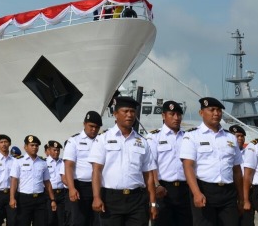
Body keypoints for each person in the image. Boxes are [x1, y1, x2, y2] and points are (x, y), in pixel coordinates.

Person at [89, 96, 158, 226]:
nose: (129, 115)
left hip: (136, 199)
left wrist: (153, 203)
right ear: (115, 114)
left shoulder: (142, 142)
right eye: (125, 111)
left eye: (132, 112)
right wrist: (96, 197)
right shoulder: (103, 139)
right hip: (111, 199)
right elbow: (96, 171)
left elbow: (148, 176)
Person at [179, 97, 243, 226]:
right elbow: (188, 167)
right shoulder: (192, 136)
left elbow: (236, 170)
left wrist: (241, 197)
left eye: (219, 110)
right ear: (201, 113)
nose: (216, 113)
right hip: (205, 190)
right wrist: (196, 193)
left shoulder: (230, 137)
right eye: (212, 110)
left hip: (228, 192)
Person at [146, 100, 192, 226]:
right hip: (164, 189)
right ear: (163, 116)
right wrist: (156, 185)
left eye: (178, 114)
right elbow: (151, 164)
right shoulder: (154, 137)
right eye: (172, 114)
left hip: (185, 189)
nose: (176, 118)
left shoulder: (188, 137)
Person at [63, 110, 102, 226]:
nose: (94, 129)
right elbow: (68, 166)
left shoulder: (102, 141)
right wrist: (71, 188)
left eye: (97, 127)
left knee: (97, 221)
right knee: (79, 221)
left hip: (99, 186)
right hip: (80, 187)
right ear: (84, 124)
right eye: (91, 126)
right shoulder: (74, 141)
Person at [9, 135, 56, 226]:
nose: (34, 147)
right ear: (25, 147)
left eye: (36, 145)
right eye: (32, 145)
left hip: (40, 199)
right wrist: (12, 198)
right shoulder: (18, 161)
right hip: (24, 199)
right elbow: (14, 180)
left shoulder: (42, 162)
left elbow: (47, 182)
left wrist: (52, 199)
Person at [228, 125, 254, 226]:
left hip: (247, 191)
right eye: (237, 136)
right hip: (231, 190)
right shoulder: (226, 153)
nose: (240, 138)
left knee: (247, 221)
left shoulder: (250, 152)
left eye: (242, 136)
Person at [0, 134, 16, 226]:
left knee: (13, 222)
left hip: (11, 194)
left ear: (9, 144)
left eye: (6, 142)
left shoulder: (15, 161)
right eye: (1, 142)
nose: (4, 144)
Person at [46, 141, 66, 226]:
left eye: (58, 150)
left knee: (62, 220)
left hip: (62, 193)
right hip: (49, 193)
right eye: (54, 150)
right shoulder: (44, 162)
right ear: (49, 150)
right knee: (50, 220)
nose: (56, 152)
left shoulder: (63, 162)